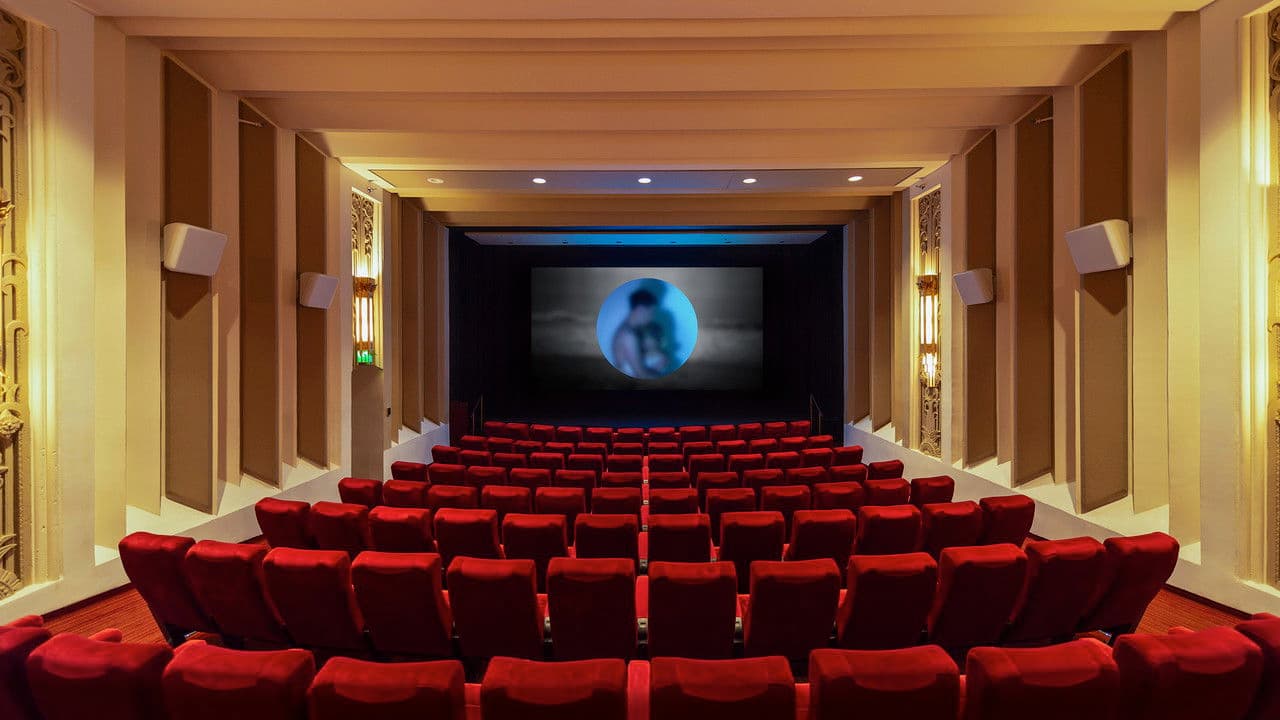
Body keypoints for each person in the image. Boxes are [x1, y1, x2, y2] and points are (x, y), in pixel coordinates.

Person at [612, 288, 664, 378]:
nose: (651, 318)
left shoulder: (630, 329)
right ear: (640, 310)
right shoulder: (628, 335)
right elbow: (641, 375)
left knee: (661, 358)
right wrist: (660, 372)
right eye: (651, 313)